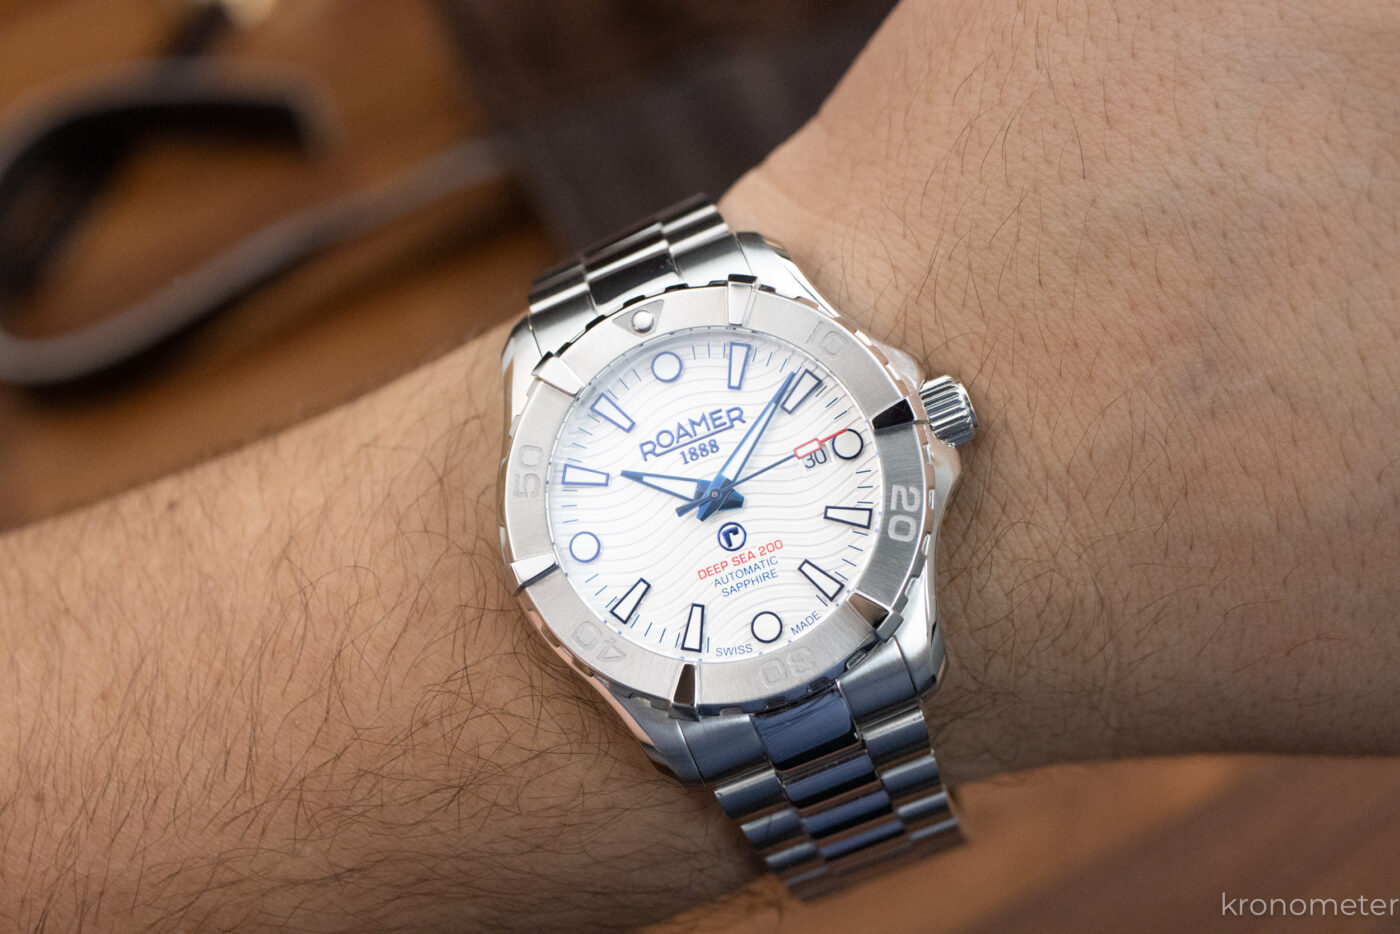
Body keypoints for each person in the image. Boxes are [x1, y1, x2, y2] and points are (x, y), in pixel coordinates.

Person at [2, 0, 1397, 930]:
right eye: (705, 491)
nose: (717, 496)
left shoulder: (873, 435)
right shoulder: (587, 518)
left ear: (927, 417)